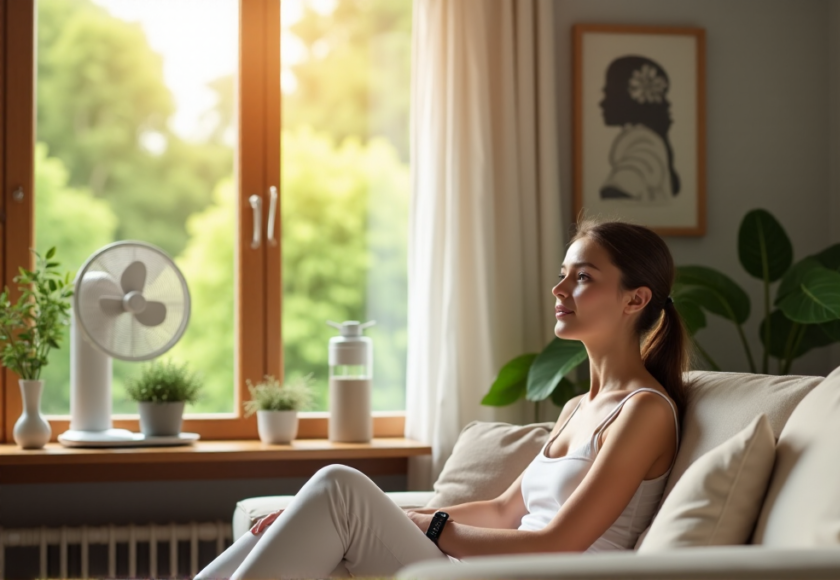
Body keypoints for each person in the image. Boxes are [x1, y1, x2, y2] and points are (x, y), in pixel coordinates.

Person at [195, 218, 690, 579]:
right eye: (563, 273)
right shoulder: (577, 408)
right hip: (480, 570)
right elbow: (501, 511)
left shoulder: (644, 410)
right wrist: (353, 516)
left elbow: (560, 542)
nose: (559, 288)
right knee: (326, 499)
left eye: (582, 277)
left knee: (339, 485)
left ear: (635, 299)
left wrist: (430, 527)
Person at [599, 56, 682, 204]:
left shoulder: (643, 141)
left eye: (608, 93)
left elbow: (628, 180)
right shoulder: (643, 138)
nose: (601, 103)